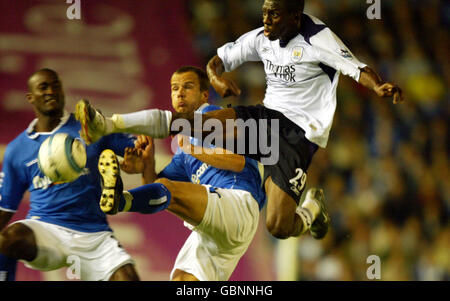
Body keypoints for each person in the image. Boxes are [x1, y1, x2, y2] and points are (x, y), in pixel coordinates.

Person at [75, 0, 404, 241]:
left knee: (277, 225)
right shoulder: (262, 37)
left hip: (298, 135)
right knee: (196, 123)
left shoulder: (318, 38)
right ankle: (109, 123)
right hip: (267, 119)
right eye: (263, 11)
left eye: (273, 13)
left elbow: (356, 67)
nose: (266, 19)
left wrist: (378, 86)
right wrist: (215, 78)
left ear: (295, 15)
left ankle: (311, 212)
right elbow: (217, 60)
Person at [93, 66, 273, 281]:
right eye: (174, 88)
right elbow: (158, 190)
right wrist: (146, 164)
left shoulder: (217, 119)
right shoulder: (183, 151)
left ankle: (119, 201)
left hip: (238, 202)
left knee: (171, 190)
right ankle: (120, 199)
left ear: (204, 95)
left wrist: (194, 150)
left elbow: (239, 161)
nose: (179, 93)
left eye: (188, 87)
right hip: (214, 231)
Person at [0, 69, 139, 281]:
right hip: (46, 228)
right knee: (8, 239)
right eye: (43, 87)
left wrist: (136, 159)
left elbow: (136, 152)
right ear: (30, 97)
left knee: (128, 278)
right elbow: (5, 207)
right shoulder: (17, 150)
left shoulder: (91, 127)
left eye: (55, 85)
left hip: (93, 233)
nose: (51, 91)